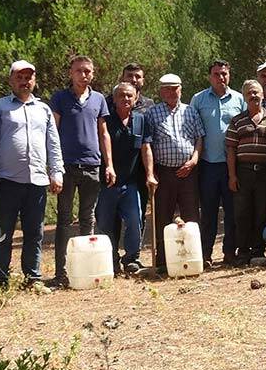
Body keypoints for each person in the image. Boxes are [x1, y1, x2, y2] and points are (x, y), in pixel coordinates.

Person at [0, 60, 64, 289]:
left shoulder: (44, 109)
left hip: (37, 181)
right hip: (6, 181)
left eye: (29, 77)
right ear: (11, 81)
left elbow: (53, 144)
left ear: (34, 81)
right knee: (3, 233)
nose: (25, 82)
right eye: (20, 77)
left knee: (35, 233)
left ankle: (33, 278)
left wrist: (56, 173)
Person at [49, 56, 115, 287]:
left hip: (92, 166)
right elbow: (52, 132)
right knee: (64, 220)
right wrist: (53, 166)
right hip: (66, 166)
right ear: (71, 73)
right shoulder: (59, 98)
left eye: (87, 71)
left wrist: (109, 164)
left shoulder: (98, 100)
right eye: (79, 71)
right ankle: (61, 273)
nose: (83, 75)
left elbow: (103, 133)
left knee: (88, 219)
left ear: (93, 74)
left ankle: (87, 270)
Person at [143, 73, 204, 271]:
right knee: (162, 215)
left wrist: (194, 160)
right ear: (161, 91)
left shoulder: (191, 111)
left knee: (191, 215)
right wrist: (151, 172)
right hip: (164, 172)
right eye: (167, 88)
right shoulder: (152, 114)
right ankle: (162, 260)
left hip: (189, 171)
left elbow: (198, 138)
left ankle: (193, 255)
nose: (171, 92)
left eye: (175, 88)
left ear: (181, 89)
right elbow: (148, 145)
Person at [97, 82, 157, 275]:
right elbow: (103, 142)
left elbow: (145, 148)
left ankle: (131, 258)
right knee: (105, 223)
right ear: (113, 99)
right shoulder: (106, 120)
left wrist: (149, 174)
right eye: (121, 96)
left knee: (134, 220)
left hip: (130, 183)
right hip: (108, 183)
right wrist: (109, 167)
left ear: (136, 98)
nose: (126, 99)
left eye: (129, 96)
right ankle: (110, 259)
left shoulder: (140, 119)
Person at [190, 60, 246, 265]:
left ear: (229, 75)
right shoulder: (198, 99)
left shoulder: (239, 100)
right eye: (216, 74)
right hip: (207, 165)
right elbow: (192, 128)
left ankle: (230, 252)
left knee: (232, 212)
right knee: (209, 213)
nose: (220, 77)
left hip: (233, 166)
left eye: (224, 74)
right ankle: (205, 255)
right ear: (209, 77)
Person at [226, 80, 266, 264]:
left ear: (262, 95)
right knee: (242, 213)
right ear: (244, 97)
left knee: (262, 211)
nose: (254, 96)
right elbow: (230, 149)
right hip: (243, 172)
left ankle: (259, 251)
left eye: (257, 92)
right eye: (250, 93)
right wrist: (232, 175)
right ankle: (243, 252)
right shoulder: (237, 121)